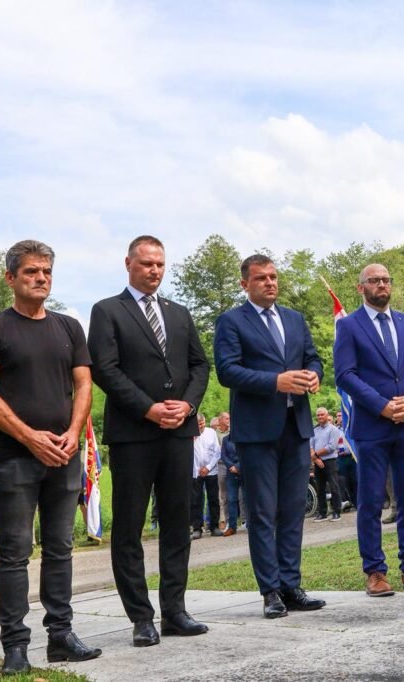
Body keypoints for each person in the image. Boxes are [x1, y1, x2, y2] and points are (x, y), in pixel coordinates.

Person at [0, 240, 101, 674]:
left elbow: (84, 384)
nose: (40, 278)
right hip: (14, 459)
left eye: (46, 271)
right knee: (15, 551)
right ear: (11, 278)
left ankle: (61, 636)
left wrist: (73, 434)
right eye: (31, 271)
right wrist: (29, 438)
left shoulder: (68, 327)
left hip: (64, 455)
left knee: (61, 548)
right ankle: (15, 646)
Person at [88, 235, 210, 648]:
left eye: (159, 263)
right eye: (146, 263)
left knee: (177, 523)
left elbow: (199, 365)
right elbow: (105, 369)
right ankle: (141, 617)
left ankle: (175, 611)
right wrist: (148, 408)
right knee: (129, 528)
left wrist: (188, 405)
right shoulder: (107, 311)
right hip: (133, 435)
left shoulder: (179, 313)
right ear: (129, 264)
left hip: (179, 432)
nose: (154, 270)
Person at [213, 254, 326, 619]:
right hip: (257, 432)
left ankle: (292, 585)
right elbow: (227, 371)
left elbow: (313, 358)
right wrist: (275, 382)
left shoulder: (294, 319)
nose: (270, 282)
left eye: (273, 276)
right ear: (245, 284)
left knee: (293, 510)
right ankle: (271, 591)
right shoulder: (232, 321)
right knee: (263, 513)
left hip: (297, 427)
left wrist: (314, 374)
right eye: (261, 278)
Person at [334, 263, 404, 595]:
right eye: (374, 280)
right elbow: (345, 375)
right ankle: (375, 572)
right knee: (371, 501)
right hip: (372, 425)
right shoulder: (349, 326)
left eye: (386, 280)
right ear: (361, 288)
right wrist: (382, 405)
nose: (382, 285)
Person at [191, 414, 222, 538]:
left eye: (202, 423)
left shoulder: (211, 433)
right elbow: (189, 453)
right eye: (198, 424)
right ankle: (197, 528)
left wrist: (208, 467)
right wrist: (198, 469)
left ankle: (214, 526)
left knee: (213, 499)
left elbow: (217, 452)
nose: (201, 426)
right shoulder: (190, 435)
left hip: (211, 471)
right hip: (196, 472)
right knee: (196, 500)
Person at [310, 407, 343, 522]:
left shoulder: (333, 429)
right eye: (318, 415)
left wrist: (315, 455)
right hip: (317, 462)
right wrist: (315, 459)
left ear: (327, 415)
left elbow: (331, 447)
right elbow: (310, 446)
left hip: (330, 461)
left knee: (334, 487)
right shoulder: (314, 430)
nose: (320, 417)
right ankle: (322, 513)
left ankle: (336, 512)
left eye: (322, 414)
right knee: (320, 488)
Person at [220, 426, 243, 536]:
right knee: (231, 499)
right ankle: (232, 527)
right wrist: (232, 467)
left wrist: (238, 467)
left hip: (244, 471)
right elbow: (223, 456)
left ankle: (251, 524)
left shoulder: (244, 437)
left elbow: (247, 453)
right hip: (231, 473)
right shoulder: (225, 439)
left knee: (247, 499)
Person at [335, 410, 358, 510]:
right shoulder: (335, 430)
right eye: (338, 416)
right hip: (341, 458)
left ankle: (358, 503)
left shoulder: (351, 427)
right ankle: (351, 502)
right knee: (345, 481)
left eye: (341, 415)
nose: (339, 417)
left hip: (352, 456)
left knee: (355, 480)